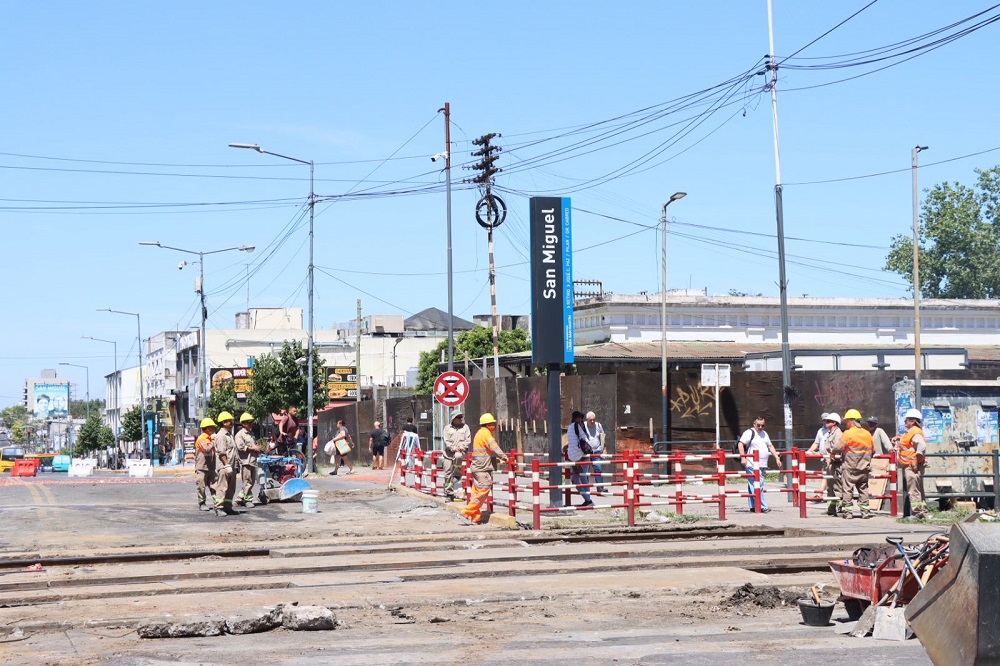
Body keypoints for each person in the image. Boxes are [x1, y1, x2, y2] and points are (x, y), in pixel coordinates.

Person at [460, 413, 508, 525]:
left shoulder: (479, 433)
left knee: (476, 492)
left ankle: (475, 517)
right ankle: (465, 512)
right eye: (493, 424)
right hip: (482, 468)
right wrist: (505, 457)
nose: (494, 426)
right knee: (483, 490)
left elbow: (485, 452)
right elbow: (494, 447)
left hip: (478, 467)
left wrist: (496, 460)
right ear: (488, 425)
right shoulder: (486, 434)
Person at [836, 409, 874, 519]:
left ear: (852, 421)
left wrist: (832, 451)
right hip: (864, 467)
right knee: (863, 489)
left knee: (847, 489)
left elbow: (837, 448)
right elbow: (873, 450)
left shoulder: (848, 434)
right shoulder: (867, 434)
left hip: (850, 467)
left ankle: (848, 513)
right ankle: (865, 512)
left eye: (847, 421)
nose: (846, 423)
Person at [892, 408, 929, 519]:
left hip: (912, 466)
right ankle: (923, 511)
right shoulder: (912, 432)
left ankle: (917, 513)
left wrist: (915, 461)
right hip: (912, 465)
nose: (905, 422)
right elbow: (908, 442)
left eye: (906, 420)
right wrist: (899, 438)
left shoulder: (915, 432)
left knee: (913, 490)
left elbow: (921, 446)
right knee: (918, 490)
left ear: (913, 421)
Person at [737, 417, 780, 513]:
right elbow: (741, 444)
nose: (760, 427)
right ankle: (762, 506)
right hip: (751, 463)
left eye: (762, 425)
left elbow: (770, 446)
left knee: (753, 484)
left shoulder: (765, 434)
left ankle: (753, 506)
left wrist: (777, 457)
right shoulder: (749, 432)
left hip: (762, 464)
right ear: (754, 424)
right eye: (758, 425)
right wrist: (743, 457)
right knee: (758, 483)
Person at [211, 411, 239, 516]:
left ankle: (227, 507)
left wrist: (234, 466)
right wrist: (226, 464)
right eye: (230, 421)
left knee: (231, 488)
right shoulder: (221, 435)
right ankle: (219, 508)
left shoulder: (229, 435)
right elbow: (221, 452)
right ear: (224, 422)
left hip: (231, 466)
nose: (232, 423)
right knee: (222, 487)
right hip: (224, 466)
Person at [565, 411, 594, 508]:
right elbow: (585, 440)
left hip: (574, 457)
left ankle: (587, 500)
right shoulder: (577, 427)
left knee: (577, 479)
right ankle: (588, 499)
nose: (580, 420)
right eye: (579, 418)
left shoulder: (571, 427)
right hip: (582, 455)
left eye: (581, 418)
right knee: (583, 478)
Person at [443, 410, 471, 500]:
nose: (460, 419)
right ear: (453, 419)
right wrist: (453, 448)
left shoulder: (465, 427)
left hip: (460, 452)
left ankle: (457, 473)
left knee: (458, 456)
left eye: (461, 417)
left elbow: (468, 440)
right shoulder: (447, 428)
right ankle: (449, 493)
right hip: (448, 454)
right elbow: (446, 441)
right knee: (447, 474)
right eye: (458, 418)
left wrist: (461, 447)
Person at [235, 412, 261, 507]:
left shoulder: (251, 434)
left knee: (251, 481)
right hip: (245, 461)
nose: (251, 425)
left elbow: (253, 445)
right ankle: (247, 500)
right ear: (243, 424)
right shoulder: (240, 435)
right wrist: (253, 448)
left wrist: (257, 448)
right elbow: (241, 447)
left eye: (251, 422)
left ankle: (239, 498)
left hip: (252, 461)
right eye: (249, 423)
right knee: (247, 481)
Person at [806, 414, 832, 497]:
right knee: (827, 475)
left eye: (828, 420)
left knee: (826, 475)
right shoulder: (820, 431)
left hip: (830, 456)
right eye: (825, 420)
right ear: (822, 421)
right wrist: (809, 451)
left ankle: (820, 493)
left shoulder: (833, 431)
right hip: (823, 457)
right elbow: (816, 443)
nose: (826, 422)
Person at [194, 418, 217, 511]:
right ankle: (202, 503)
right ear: (208, 429)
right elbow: (206, 449)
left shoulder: (210, 438)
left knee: (214, 486)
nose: (214, 429)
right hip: (202, 467)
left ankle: (217, 503)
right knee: (201, 486)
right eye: (213, 427)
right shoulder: (201, 438)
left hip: (211, 466)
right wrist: (213, 442)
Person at [583, 411, 607, 493]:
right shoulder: (583, 426)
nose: (592, 421)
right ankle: (586, 488)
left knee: (598, 469)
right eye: (591, 420)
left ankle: (600, 487)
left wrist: (604, 449)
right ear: (587, 420)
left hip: (597, 450)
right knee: (585, 471)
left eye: (594, 420)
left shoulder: (598, 425)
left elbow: (602, 437)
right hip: (587, 452)